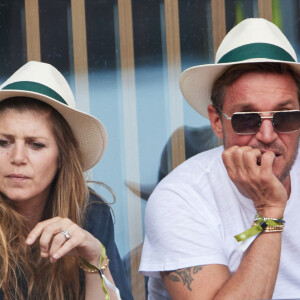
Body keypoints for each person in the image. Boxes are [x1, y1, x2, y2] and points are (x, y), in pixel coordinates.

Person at [140, 18, 300, 299]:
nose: (266, 134)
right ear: (216, 121)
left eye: (284, 117)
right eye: (246, 119)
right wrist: (269, 210)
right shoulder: (178, 198)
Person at [0, 61, 133, 300]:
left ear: (62, 157)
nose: (17, 157)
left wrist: (94, 260)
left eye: (36, 145)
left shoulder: (90, 212)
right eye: (3, 142)